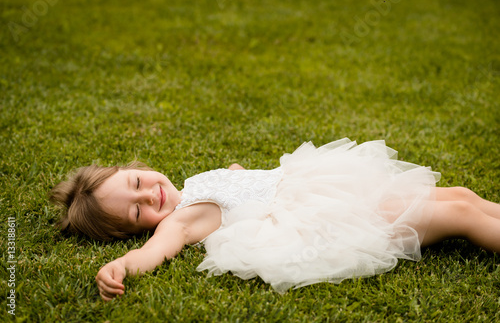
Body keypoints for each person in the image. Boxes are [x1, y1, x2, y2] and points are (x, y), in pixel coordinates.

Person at [50, 138, 500, 301]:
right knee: (457, 213)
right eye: (136, 211)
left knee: (461, 195)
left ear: (134, 168)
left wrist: (236, 176)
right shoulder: (176, 224)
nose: (151, 195)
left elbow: (238, 184)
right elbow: (150, 254)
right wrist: (121, 266)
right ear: (137, 228)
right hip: (330, 215)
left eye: (136, 182)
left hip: (325, 186)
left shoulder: (190, 183)